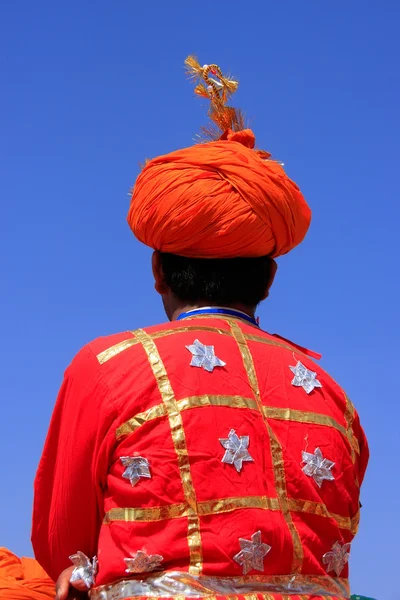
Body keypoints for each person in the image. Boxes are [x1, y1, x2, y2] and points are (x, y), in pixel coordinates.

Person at [32, 56, 369, 600]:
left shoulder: (110, 367)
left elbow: (67, 545)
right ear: (270, 277)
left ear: (157, 271)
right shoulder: (330, 391)